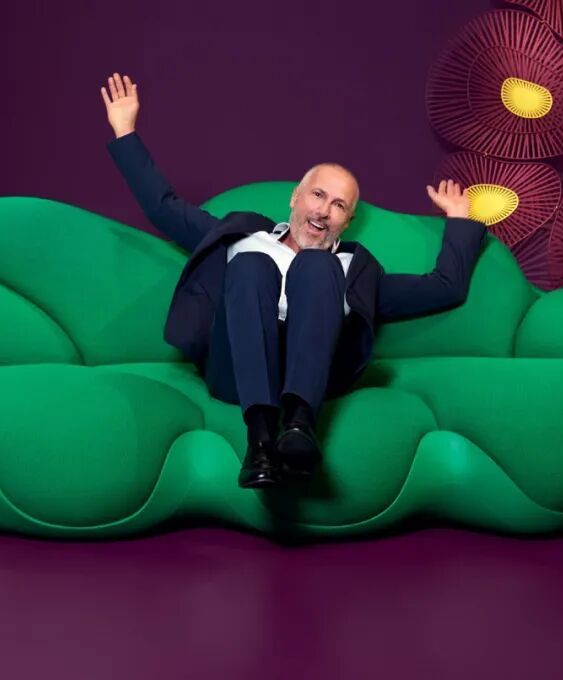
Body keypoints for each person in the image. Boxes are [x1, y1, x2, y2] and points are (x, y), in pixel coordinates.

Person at [100, 72, 487, 489]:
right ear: (295, 198)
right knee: (251, 264)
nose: (324, 211)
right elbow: (164, 209)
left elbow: (444, 286)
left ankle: (300, 427)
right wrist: (125, 130)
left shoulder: (353, 271)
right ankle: (260, 439)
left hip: (315, 377)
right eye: (318, 195)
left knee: (317, 266)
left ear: (347, 221)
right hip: (237, 369)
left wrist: (460, 221)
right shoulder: (243, 237)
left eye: (339, 205)